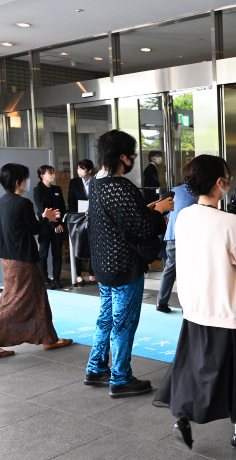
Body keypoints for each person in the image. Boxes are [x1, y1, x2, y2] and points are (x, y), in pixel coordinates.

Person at [153, 155, 236, 450]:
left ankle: (183, 415)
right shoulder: (231, 222)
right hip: (231, 310)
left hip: (195, 308)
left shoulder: (184, 216)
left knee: (196, 367)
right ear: (220, 182)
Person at [85, 130, 174, 398]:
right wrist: (160, 211)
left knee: (105, 319)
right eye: (132, 155)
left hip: (104, 265)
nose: (133, 159)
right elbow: (143, 228)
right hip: (123, 267)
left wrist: (145, 208)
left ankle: (96, 367)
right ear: (122, 156)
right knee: (124, 322)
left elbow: (121, 219)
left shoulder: (96, 183)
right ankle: (121, 378)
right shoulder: (120, 186)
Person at [0, 163, 72, 357]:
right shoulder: (22, 203)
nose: (27, 181)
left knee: (36, 295)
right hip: (22, 259)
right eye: (25, 177)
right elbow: (36, 229)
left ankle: (49, 338)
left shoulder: (3, 200)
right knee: (13, 298)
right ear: (17, 182)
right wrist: (46, 217)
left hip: (7, 257)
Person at [156, 163, 198, 314]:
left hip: (172, 234)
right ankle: (190, 304)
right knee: (191, 269)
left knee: (170, 268)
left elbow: (167, 213)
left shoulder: (174, 191)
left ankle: (161, 301)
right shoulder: (198, 194)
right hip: (188, 236)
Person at [33, 165, 67, 290]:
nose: (53, 174)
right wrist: (54, 224)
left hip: (58, 226)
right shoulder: (38, 190)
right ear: (42, 175)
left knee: (57, 253)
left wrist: (60, 224)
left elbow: (62, 208)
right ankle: (45, 279)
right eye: (50, 172)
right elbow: (42, 210)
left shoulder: (57, 189)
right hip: (45, 226)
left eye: (53, 172)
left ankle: (57, 278)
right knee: (43, 254)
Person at [68, 159, 96, 286]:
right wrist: (75, 217)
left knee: (93, 245)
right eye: (78, 168)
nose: (78, 171)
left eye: (81, 168)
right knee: (78, 244)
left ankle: (92, 273)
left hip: (94, 217)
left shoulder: (96, 181)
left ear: (89, 171)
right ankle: (78, 274)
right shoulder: (74, 183)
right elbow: (71, 200)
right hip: (78, 218)